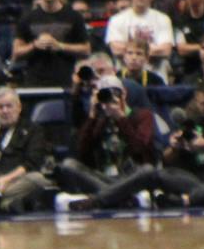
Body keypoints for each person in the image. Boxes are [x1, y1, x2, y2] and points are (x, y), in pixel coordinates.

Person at [69, 79, 204, 211]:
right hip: (192, 177)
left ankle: (188, 200)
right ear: (196, 102)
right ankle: (98, 200)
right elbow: (166, 160)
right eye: (203, 104)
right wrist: (175, 147)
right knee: (153, 172)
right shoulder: (189, 120)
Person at [52, 74, 159, 209]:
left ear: (124, 94)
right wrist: (92, 117)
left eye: (113, 93)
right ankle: (123, 199)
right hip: (102, 177)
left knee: (148, 170)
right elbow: (81, 152)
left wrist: (121, 118)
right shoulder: (99, 119)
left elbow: (140, 148)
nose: (108, 99)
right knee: (68, 165)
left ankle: (96, 200)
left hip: (130, 178)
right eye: (104, 95)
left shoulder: (143, 115)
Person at [12, 0, 92, 86]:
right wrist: (35, 45)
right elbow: (16, 53)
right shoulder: (27, 18)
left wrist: (60, 46)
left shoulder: (74, 17)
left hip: (65, 81)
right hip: (34, 81)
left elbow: (86, 50)